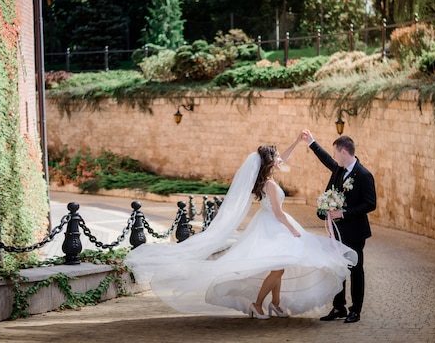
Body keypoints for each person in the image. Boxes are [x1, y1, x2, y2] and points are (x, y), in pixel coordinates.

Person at [125, 134, 357, 318]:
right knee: (277, 267)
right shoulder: (272, 186)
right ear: (269, 162)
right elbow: (278, 213)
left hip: (267, 226)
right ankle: (258, 304)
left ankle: (275, 304)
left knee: (280, 265)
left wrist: (297, 142)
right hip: (275, 227)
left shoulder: (265, 181)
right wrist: (294, 230)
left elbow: (283, 159)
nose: (280, 160)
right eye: (276, 157)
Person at [302, 130, 376, 324]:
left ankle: (355, 310)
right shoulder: (339, 170)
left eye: (336, 153)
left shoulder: (364, 175)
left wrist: (344, 213)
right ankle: (338, 307)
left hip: (355, 231)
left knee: (355, 269)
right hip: (336, 231)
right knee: (336, 268)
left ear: (344, 152)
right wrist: (311, 142)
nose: (334, 156)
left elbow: (370, 203)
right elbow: (327, 159)